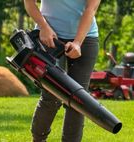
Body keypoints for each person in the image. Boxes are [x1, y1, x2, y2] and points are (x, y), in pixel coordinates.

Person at [24, 0, 101, 141]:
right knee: (51, 95)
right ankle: (38, 139)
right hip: (49, 36)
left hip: (85, 38)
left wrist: (78, 42)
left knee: (78, 100)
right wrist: (44, 27)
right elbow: (29, 3)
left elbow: (91, 8)